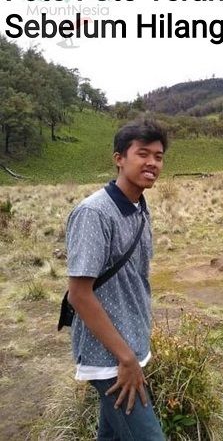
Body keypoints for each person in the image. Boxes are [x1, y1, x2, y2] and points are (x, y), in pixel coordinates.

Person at [65, 118, 167, 440]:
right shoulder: (94, 213)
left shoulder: (139, 207)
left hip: (131, 344)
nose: (152, 162)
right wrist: (125, 358)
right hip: (109, 357)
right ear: (119, 158)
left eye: (159, 156)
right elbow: (78, 295)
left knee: (109, 435)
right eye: (143, 153)